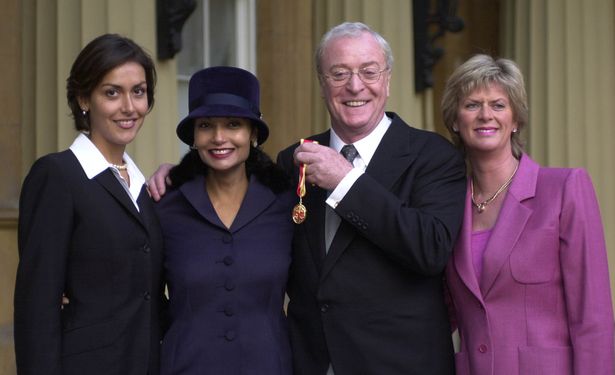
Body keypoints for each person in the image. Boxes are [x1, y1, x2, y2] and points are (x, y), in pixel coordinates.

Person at [148, 22, 466, 375]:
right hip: (310, 361)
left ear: (387, 79)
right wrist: (175, 174)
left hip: (398, 363)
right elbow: (227, 180)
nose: (355, 85)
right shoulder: (293, 161)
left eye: (368, 71)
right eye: (339, 73)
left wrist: (346, 182)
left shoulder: (434, 155)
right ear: (322, 83)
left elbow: (431, 249)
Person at [441, 54, 614, 374]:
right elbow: (438, 314)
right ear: (454, 120)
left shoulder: (563, 188)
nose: (485, 115)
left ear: (516, 119)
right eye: (472, 105)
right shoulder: (448, 205)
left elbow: (593, 318)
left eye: (498, 104)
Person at [14, 34, 165, 375]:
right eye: (112, 93)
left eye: (138, 91)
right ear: (84, 98)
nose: (129, 107)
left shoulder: (144, 189)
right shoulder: (56, 176)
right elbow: (36, 307)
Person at [154, 66, 294, 374]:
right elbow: (141, 294)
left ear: (253, 134)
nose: (219, 138)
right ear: (194, 136)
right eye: (206, 125)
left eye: (233, 124)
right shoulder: (165, 206)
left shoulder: (286, 206)